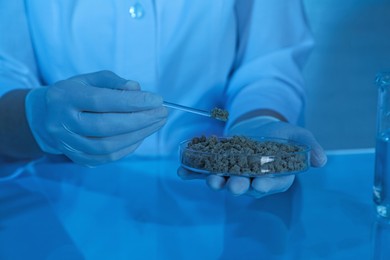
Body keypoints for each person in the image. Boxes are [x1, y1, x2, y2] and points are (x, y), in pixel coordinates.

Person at [0, 0, 327, 197]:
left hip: (225, 206)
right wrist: (36, 118)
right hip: (55, 202)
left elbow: (269, 60)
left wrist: (259, 121)